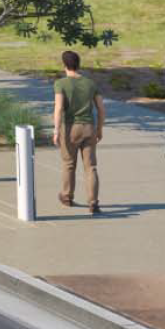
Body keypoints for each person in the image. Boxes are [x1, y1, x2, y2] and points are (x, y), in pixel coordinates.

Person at [52, 51, 103, 214]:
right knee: (91, 167)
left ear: (64, 65)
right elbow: (101, 108)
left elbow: (59, 108)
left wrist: (56, 130)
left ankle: (67, 197)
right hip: (89, 128)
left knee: (69, 164)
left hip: (70, 128)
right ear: (78, 64)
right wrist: (99, 129)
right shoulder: (90, 84)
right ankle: (93, 202)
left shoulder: (60, 84)